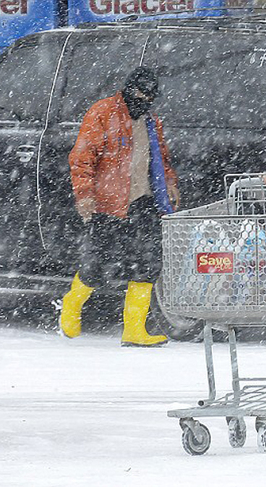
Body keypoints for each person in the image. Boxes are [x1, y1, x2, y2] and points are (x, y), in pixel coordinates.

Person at [59, 67, 180, 347]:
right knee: (98, 266)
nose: (144, 99)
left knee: (149, 264)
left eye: (150, 95)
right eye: (139, 93)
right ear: (128, 89)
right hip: (109, 204)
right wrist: (84, 194)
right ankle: (71, 304)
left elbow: (161, 158)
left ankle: (134, 330)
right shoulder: (103, 113)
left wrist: (170, 183)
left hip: (145, 200)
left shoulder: (151, 120)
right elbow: (82, 157)